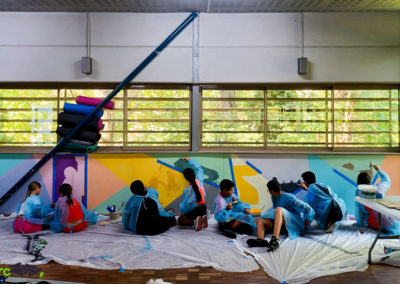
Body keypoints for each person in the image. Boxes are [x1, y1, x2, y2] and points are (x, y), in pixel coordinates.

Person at [247, 179, 314, 251]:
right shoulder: (274, 197)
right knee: (260, 220)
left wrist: (306, 225)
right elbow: (275, 214)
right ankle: (260, 240)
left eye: (268, 190)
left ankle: (275, 239)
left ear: (271, 191)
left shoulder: (289, 197)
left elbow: (308, 209)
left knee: (278, 209)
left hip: (292, 223)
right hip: (281, 224)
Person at [355, 165, 399, 234]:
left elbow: (360, 211)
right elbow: (387, 180)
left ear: (358, 182)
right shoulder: (379, 188)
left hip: (372, 224)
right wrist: (379, 170)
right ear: (370, 181)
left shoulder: (358, 192)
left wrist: (359, 224)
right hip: (387, 224)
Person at [177, 157, 207, 231]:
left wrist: (182, 210)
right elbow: (199, 170)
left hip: (195, 210)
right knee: (193, 211)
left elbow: (187, 205)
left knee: (180, 220)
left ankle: (196, 220)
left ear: (185, 178)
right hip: (203, 208)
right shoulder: (199, 180)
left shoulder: (188, 189)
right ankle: (202, 217)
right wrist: (190, 160)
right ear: (194, 174)